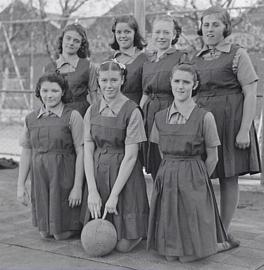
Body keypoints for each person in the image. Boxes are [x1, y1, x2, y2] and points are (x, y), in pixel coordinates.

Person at [147, 63, 235, 262]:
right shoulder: (160, 117)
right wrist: (172, 170)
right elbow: (161, 150)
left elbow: (213, 157)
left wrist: (197, 178)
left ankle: (216, 243)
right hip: (167, 175)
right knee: (170, 256)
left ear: (194, 85)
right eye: (177, 81)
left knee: (188, 256)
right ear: (170, 83)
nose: (181, 86)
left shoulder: (205, 117)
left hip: (194, 176)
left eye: (186, 82)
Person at [192, 6, 261, 238]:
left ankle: (223, 230)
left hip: (231, 123)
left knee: (228, 176)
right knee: (202, 173)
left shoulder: (237, 53)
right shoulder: (196, 58)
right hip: (204, 125)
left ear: (225, 28)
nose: (210, 29)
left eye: (215, 24)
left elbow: (250, 93)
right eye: (206, 24)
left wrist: (244, 131)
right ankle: (206, 227)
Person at [83, 59, 149, 252]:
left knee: (122, 247)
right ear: (98, 81)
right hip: (99, 171)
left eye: (114, 80)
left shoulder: (132, 111)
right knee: (97, 239)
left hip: (124, 176)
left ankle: (138, 231)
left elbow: (131, 156)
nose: (109, 85)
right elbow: (88, 149)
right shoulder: (92, 110)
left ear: (122, 81)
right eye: (104, 80)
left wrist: (113, 196)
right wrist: (93, 190)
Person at [17, 73, 84, 240]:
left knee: (60, 235)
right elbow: (26, 151)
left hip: (63, 176)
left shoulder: (72, 116)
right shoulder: (30, 118)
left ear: (63, 92)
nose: (49, 95)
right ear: (39, 91)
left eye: (55, 90)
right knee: (45, 233)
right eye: (45, 90)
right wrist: (20, 185)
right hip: (41, 178)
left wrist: (77, 187)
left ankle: (80, 224)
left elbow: (82, 151)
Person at [140, 15, 188, 179]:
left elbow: (185, 90)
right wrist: (139, 117)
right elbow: (145, 93)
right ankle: (157, 203)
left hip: (170, 111)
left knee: (170, 162)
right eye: (158, 32)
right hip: (150, 114)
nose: (161, 36)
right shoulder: (148, 62)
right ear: (152, 34)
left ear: (174, 35)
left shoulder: (180, 57)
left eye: (166, 32)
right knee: (154, 165)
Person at [45, 23, 98, 117]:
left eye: (76, 41)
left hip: (81, 115)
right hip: (56, 115)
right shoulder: (49, 67)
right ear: (62, 40)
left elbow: (94, 98)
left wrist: (95, 119)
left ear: (81, 44)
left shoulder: (89, 66)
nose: (71, 43)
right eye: (68, 38)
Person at [109, 15, 148, 104]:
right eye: (119, 32)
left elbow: (147, 93)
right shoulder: (109, 60)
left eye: (127, 32)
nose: (123, 36)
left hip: (134, 110)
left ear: (135, 33)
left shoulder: (144, 60)